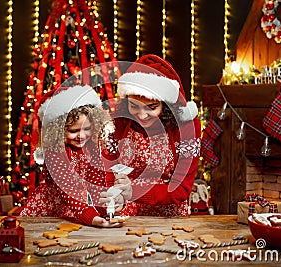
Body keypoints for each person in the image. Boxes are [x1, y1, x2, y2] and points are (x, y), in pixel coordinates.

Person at [100, 54, 201, 216]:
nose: (142, 115)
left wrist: (135, 191)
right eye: (134, 106)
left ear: (166, 105)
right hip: (127, 212)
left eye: (151, 107)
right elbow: (108, 171)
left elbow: (182, 188)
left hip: (170, 215)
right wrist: (114, 196)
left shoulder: (187, 126)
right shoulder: (118, 122)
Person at [20, 85, 127, 227]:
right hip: (49, 210)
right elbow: (68, 190)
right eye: (73, 130)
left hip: (75, 211)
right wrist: (93, 218)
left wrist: (106, 210)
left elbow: (95, 182)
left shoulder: (91, 146)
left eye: (87, 128)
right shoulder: (55, 151)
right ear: (58, 130)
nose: (81, 136)